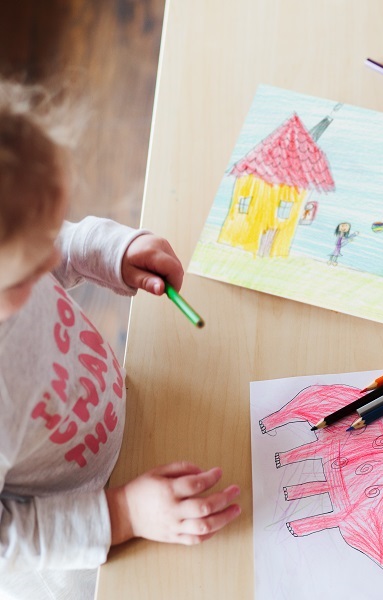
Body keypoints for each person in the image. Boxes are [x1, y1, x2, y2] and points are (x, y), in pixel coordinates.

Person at [0, 81, 241, 599]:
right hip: (80, 540)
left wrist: (103, 250)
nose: (50, 263)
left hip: (129, 423)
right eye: (28, 272)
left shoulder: (15, 236)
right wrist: (122, 514)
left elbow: (46, 240)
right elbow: (7, 539)